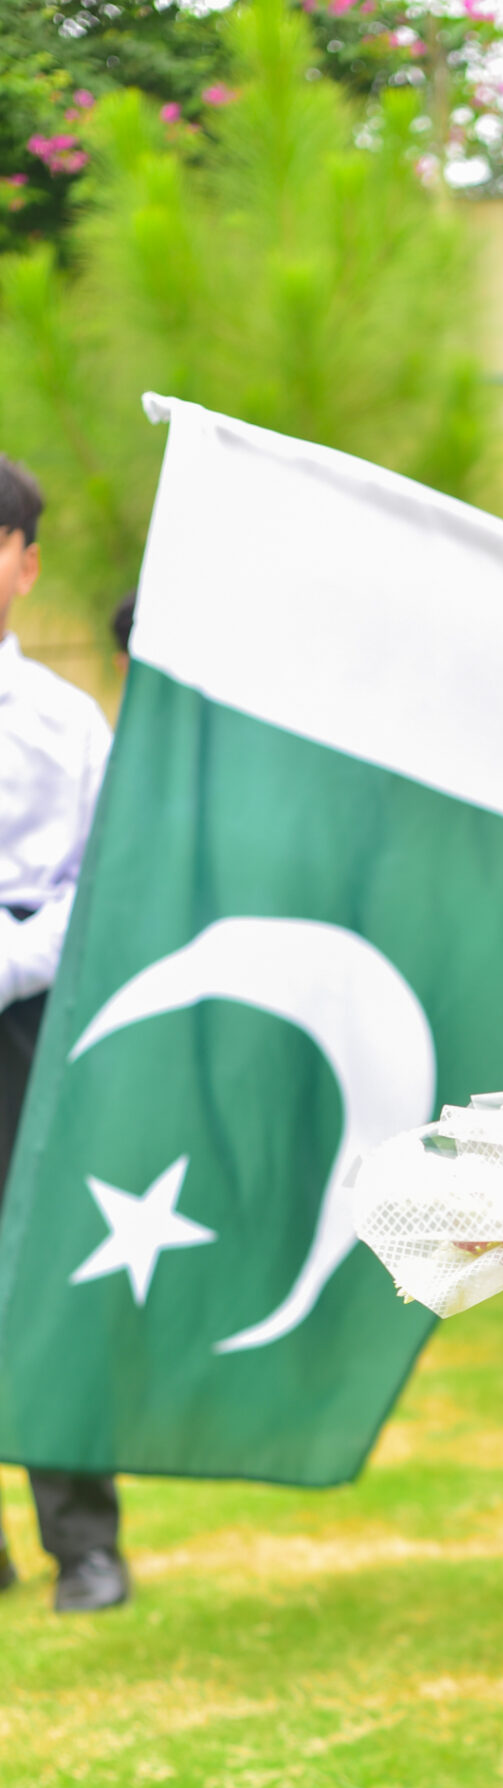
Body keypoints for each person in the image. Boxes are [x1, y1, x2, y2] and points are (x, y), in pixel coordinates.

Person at [0, 458, 129, 1612]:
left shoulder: (65, 722)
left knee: (49, 1265)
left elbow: (102, 879)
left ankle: (82, 1540)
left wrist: (10, 961)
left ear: (25, 564)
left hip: (28, 1016)